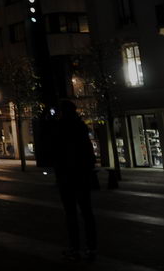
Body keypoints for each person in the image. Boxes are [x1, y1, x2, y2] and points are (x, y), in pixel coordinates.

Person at [53, 100, 97, 262]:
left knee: (71, 214)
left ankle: (75, 247)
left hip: (67, 176)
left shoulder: (60, 128)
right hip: (82, 175)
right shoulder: (81, 126)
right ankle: (91, 248)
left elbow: (56, 153)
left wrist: (59, 174)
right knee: (87, 212)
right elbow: (88, 151)